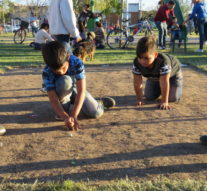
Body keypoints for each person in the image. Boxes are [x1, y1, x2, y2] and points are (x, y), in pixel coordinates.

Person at [41, 41, 115, 131]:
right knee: (64, 81)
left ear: (68, 57)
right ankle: (67, 108)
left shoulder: (76, 62)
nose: (60, 72)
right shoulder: (47, 71)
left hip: (75, 89)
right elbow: (53, 99)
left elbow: (81, 91)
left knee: (96, 113)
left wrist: (74, 115)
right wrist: (65, 117)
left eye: (63, 68)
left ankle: (100, 103)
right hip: (61, 94)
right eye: (56, 71)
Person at [132, 36, 183, 110]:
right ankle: (157, 84)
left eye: (146, 58)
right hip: (155, 77)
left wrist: (164, 101)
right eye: (140, 57)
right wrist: (139, 99)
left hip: (173, 75)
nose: (142, 61)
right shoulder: (136, 62)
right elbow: (137, 82)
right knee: (150, 96)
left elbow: (164, 82)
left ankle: (168, 87)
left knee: (172, 98)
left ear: (155, 55)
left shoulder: (163, 62)